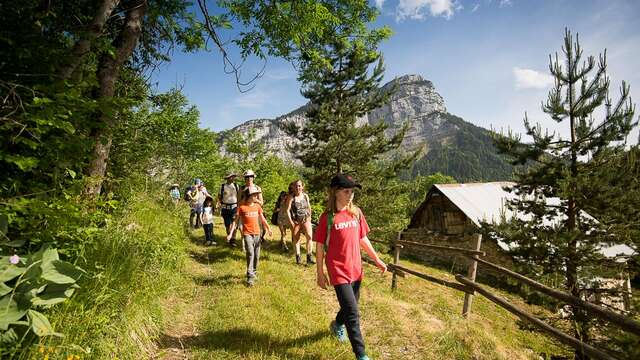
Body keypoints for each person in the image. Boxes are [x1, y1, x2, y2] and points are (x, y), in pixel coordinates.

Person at [314, 173, 387, 360]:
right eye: (346, 191)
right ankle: (361, 355)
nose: (350, 195)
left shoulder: (356, 213)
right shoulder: (327, 218)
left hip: (356, 268)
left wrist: (377, 259)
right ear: (335, 192)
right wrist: (320, 273)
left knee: (349, 307)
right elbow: (320, 246)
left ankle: (337, 324)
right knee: (353, 313)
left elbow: (362, 238)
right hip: (338, 270)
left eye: (352, 192)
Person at [227, 186, 272, 286]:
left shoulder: (257, 207)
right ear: (248, 196)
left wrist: (268, 228)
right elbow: (235, 222)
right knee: (250, 253)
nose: (256, 196)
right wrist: (230, 234)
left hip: (257, 234)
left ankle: (254, 272)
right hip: (247, 234)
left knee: (257, 255)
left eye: (256, 194)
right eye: (254, 195)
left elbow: (263, 219)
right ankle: (249, 276)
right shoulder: (242, 208)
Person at [286, 179, 314, 265]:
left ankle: (309, 257)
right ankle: (298, 258)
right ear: (294, 187)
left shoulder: (305, 196)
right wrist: (290, 221)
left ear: (302, 186)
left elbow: (309, 207)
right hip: (296, 221)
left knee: (309, 237)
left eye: (299, 186)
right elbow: (287, 210)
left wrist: (309, 217)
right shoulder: (291, 197)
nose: (298, 187)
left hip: (306, 219)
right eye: (296, 186)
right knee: (296, 239)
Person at [219, 172, 240, 247]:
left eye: (234, 177)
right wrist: (218, 204)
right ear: (228, 178)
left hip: (234, 207)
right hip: (225, 207)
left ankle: (233, 240)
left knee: (234, 224)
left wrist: (239, 205)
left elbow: (239, 196)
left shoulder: (236, 186)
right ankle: (229, 236)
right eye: (232, 177)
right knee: (227, 225)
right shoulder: (222, 186)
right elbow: (219, 196)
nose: (233, 178)